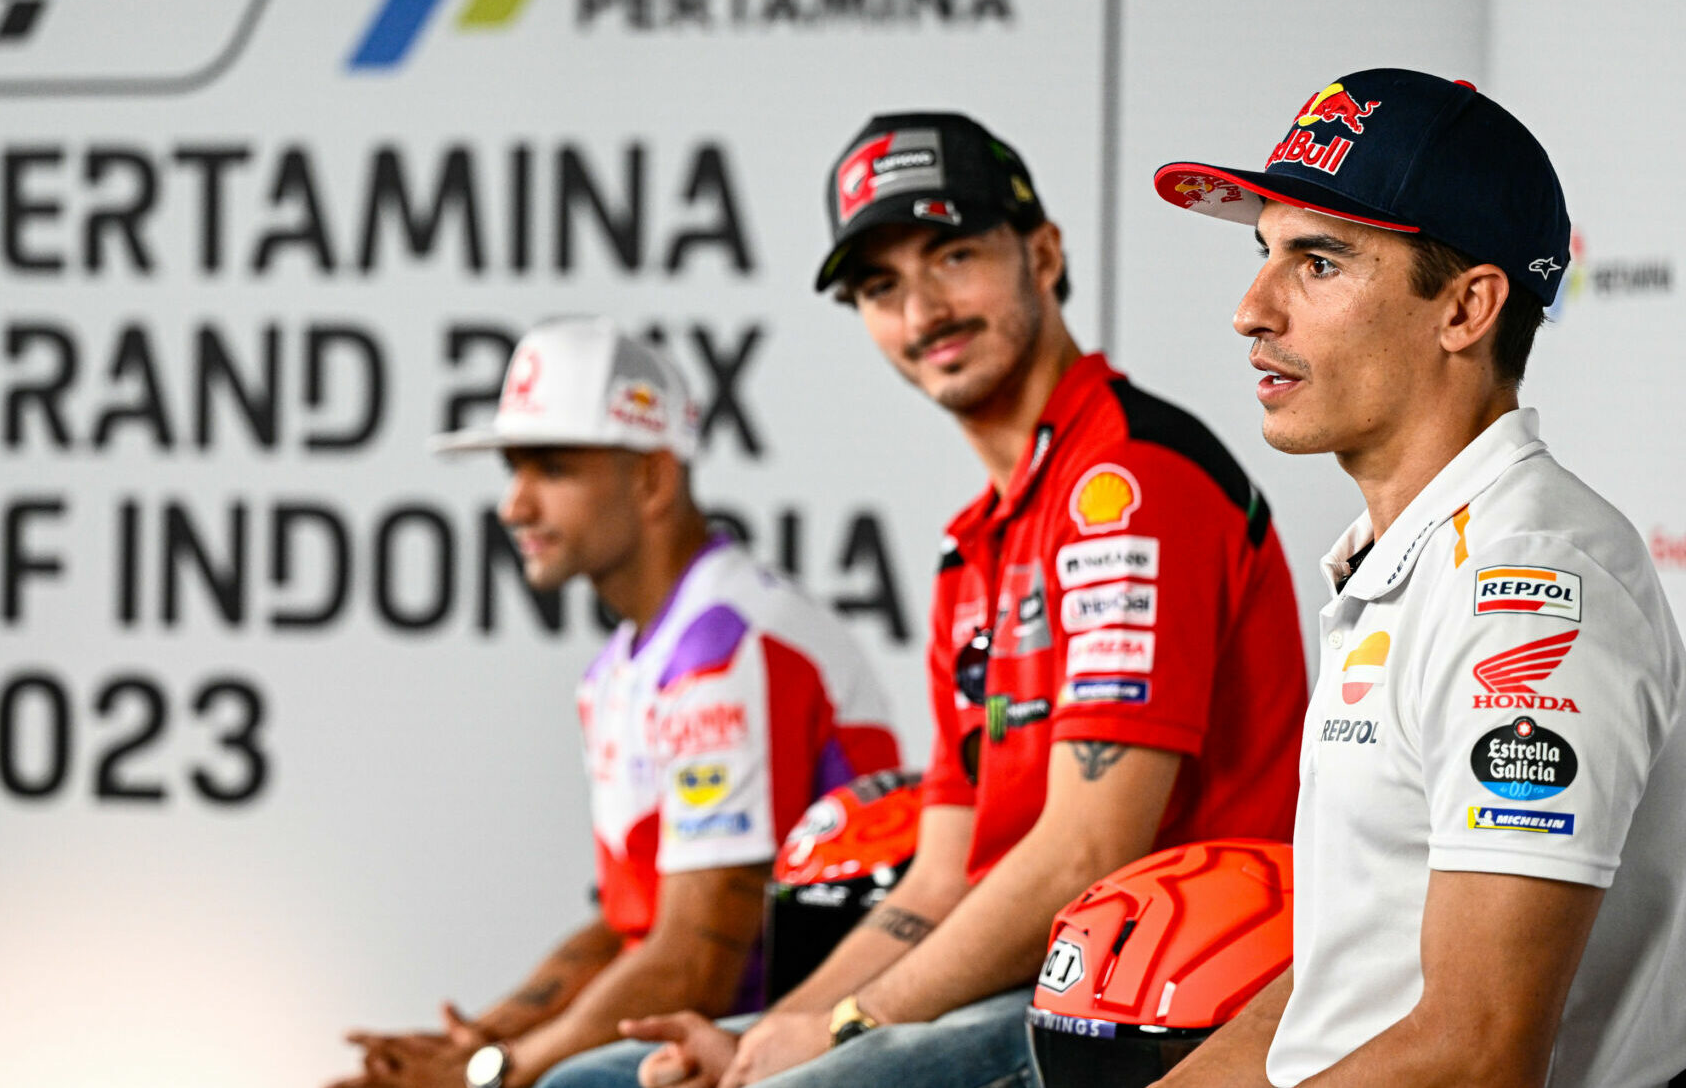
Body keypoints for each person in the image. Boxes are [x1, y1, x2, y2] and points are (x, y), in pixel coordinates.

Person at [540, 112, 1307, 1088]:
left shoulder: (1127, 481)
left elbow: (1087, 846)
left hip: (1159, 1001)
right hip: (1030, 975)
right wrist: (766, 1033)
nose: (922, 311)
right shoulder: (972, 548)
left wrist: (847, 1024)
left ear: (1043, 252)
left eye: (952, 255)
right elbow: (940, 875)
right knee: (595, 1083)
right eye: (881, 287)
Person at [1147, 68, 1686, 1087]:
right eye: (1263, 254)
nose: (1251, 311)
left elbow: (1477, 1052)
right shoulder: (1426, 556)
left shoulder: (1528, 579)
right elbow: (1342, 990)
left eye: (1317, 262)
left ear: (1467, 308)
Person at [329, 316, 898, 1088]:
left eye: (551, 469)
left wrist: (487, 1076)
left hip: (786, 1041)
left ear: (653, 479)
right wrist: (483, 1038)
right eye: (513, 470)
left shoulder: (723, 645)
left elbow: (698, 964)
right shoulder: (624, 667)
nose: (514, 506)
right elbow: (632, 927)